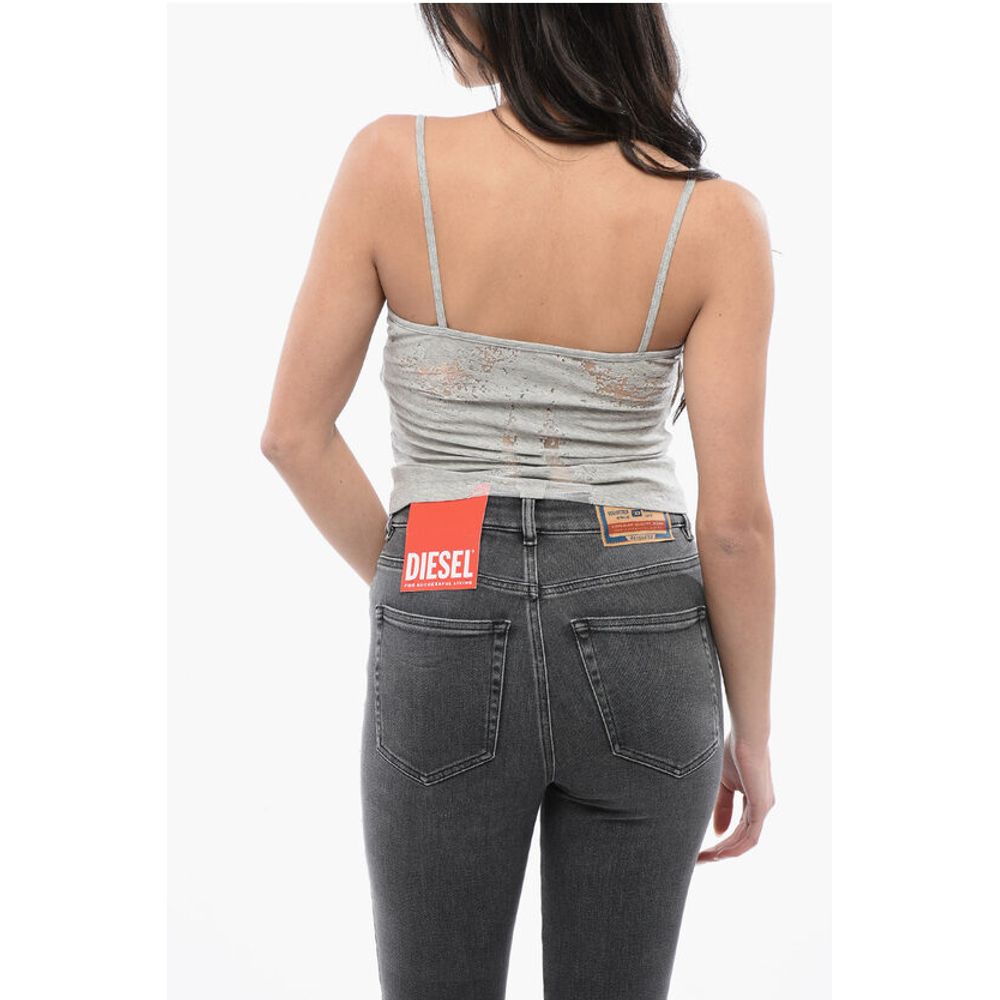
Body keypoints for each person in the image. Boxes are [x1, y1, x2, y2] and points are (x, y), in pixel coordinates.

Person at [261, 5, 775, 998]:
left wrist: (427, 585)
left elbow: (292, 435)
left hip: (441, 596)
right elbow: (734, 527)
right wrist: (749, 733)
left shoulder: (391, 163)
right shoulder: (717, 220)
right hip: (644, 612)